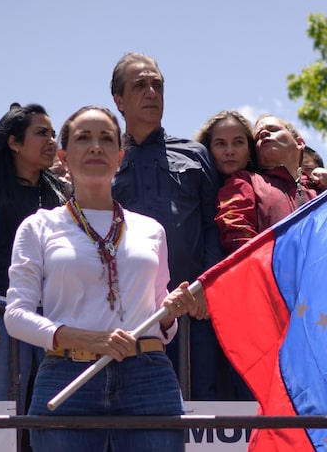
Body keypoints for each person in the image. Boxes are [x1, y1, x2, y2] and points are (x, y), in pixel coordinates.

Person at [5, 105, 196, 452]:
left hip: (149, 377)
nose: (96, 147)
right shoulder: (38, 226)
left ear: (120, 156)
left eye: (106, 139)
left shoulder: (151, 229)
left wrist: (170, 312)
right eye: (83, 138)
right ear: (63, 156)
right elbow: (16, 316)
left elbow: (159, 318)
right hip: (66, 374)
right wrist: (90, 340)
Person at [109, 52, 224, 401]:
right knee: (134, 412)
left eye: (157, 85)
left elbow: (212, 226)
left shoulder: (195, 154)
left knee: (200, 409)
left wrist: (206, 284)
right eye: (140, 86)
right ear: (119, 101)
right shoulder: (104, 159)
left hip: (193, 312)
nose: (151, 93)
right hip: (126, 319)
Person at [0, 103, 68, 408]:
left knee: (54, 416)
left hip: (51, 320)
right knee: (1, 418)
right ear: (14, 142)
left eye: (54, 134)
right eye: (41, 133)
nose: (52, 142)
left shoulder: (62, 196)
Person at [215, 115, 319, 253]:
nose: (264, 134)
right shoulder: (244, 181)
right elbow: (236, 232)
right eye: (258, 137)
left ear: (299, 143)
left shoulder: (321, 189)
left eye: (273, 129)